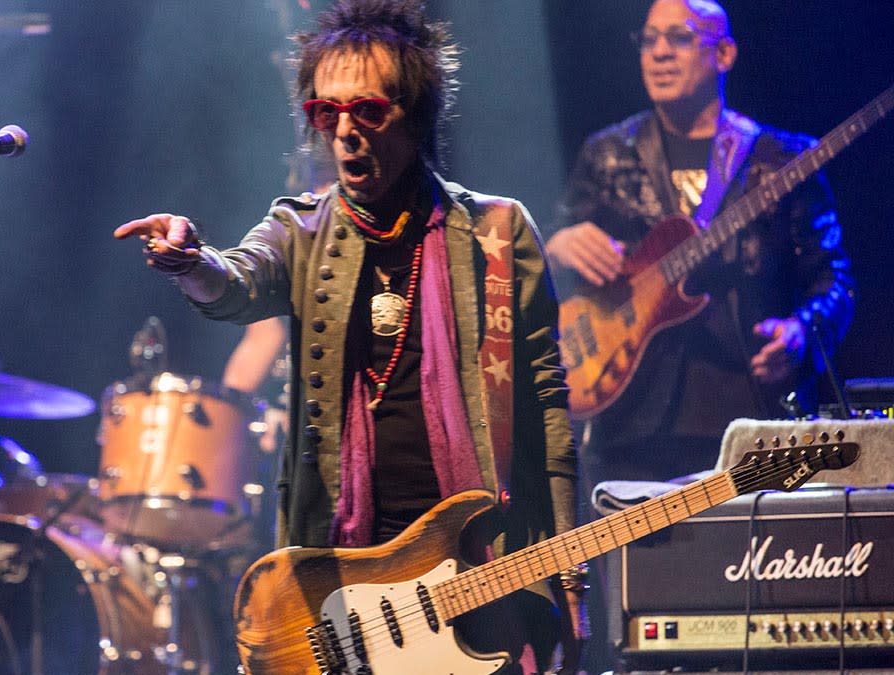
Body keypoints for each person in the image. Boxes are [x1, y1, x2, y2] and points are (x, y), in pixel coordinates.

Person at [115, 1, 584, 671]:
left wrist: (567, 565)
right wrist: (192, 261)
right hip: (346, 577)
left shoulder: (499, 236)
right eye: (323, 113)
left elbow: (548, 409)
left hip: (478, 563)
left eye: (367, 111)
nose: (344, 131)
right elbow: (239, 282)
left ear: (415, 114)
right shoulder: (301, 231)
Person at [542, 2, 854, 671]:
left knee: (747, 620)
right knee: (640, 625)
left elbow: (835, 283)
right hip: (632, 424)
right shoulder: (609, 153)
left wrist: (804, 332)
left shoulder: (780, 158)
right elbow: (547, 271)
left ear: (724, 55)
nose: (657, 51)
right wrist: (560, 243)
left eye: (677, 38)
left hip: (747, 426)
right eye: (648, 38)